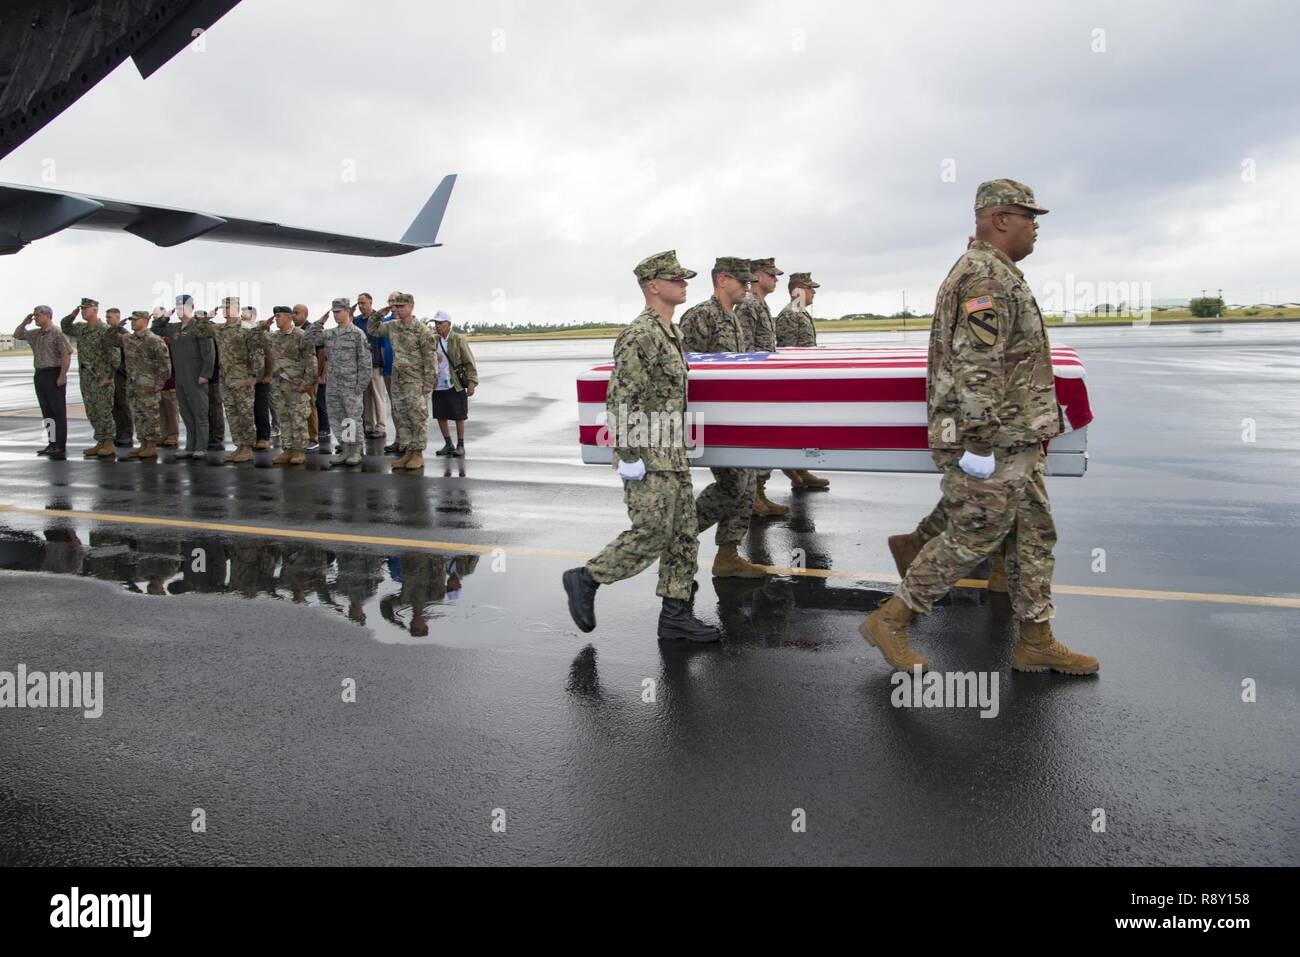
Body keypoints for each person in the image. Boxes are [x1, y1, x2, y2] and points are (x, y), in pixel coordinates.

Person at [860, 178, 1098, 676]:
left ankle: (1035, 639)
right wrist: (983, 443)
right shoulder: (986, 278)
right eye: (1029, 218)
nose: (1036, 229)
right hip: (994, 439)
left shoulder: (997, 273)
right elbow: (978, 369)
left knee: (1034, 535)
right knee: (974, 534)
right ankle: (891, 619)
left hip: (1018, 438)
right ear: (1000, 219)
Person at [562, 250, 720, 643]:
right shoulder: (641, 335)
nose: (684, 284)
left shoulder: (672, 332)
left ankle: (675, 616)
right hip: (648, 456)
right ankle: (588, 577)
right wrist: (630, 457)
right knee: (650, 533)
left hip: (673, 454)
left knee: (684, 536)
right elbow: (621, 401)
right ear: (653, 286)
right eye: (676, 278)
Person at [679, 257, 769, 579]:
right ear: (721, 280)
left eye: (749, 281)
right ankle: (679, 533)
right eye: (741, 281)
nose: (748, 286)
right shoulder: (700, 317)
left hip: (735, 418)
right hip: (709, 419)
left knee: (744, 485)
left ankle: (728, 555)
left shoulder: (735, 319)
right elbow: (682, 368)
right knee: (733, 484)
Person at [736, 257, 790, 516]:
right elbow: (744, 348)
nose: (776, 279)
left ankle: (759, 493)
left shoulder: (759, 305)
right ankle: (753, 497)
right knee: (756, 442)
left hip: (763, 381)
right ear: (757, 275)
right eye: (771, 275)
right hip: (753, 383)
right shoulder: (748, 306)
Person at [773, 272, 830, 491]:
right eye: (810, 288)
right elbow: (788, 351)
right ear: (798, 290)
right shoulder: (790, 314)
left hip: (805, 379)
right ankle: (792, 468)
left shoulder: (800, 312)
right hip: (795, 381)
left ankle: (801, 469)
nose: (813, 292)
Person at [367, 293, 436, 470]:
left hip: (415, 381)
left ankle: (418, 454)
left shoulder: (422, 330)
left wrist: (429, 382)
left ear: (411, 306)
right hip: (398, 380)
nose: (398, 309)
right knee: (401, 416)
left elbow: (430, 358)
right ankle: (407, 452)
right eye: (396, 306)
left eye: (401, 306)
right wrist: (379, 314)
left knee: (417, 417)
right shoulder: (392, 326)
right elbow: (372, 329)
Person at [151, 295, 215, 460]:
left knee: (200, 413)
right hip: (180, 377)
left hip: (196, 377)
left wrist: (205, 374)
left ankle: (201, 446)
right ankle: (190, 446)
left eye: (183, 307)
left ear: (192, 307)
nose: (180, 310)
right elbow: (156, 330)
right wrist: (165, 317)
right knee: (186, 413)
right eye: (178, 307)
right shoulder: (174, 328)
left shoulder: (199, 326)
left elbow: (209, 351)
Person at [309, 297, 371, 466]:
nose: (336, 315)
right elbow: (308, 340)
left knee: (352, 418)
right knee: (338, 418)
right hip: (334, 384)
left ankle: (355, 450)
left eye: (339, 312)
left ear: (348, 311)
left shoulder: (357, 334)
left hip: (351, 384)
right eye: (334, 312)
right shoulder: (329, 334)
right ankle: (345, 449)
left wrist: (361, 385)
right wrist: (319, 323)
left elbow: (365, 361)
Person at [59, 297, 118, 458]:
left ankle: (109, 442)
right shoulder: (81, 328)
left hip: (101, 377)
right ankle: (99, 440)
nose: (83, 311)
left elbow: (115, 356)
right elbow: (65, 326)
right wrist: (73, 314)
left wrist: (109, 376)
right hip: (86, 377)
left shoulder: (105, 330)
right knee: (91, 410)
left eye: (86, 308)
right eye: (82, 309)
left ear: (95, 310)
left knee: (104, 410)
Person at [13, 305, 72, 459]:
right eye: (34, 315)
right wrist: (25, 322)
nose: (35, 318)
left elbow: (66, 354)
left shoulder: (57, 333)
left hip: (54, 373)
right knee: (47, 412)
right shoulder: (36, 334)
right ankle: (51, 443)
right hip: (40, 374)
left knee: (57, 411)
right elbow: (17, 335)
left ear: (48, 315)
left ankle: (59, 445)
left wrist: (62, 375)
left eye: (38, 315)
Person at [262, 305, 317, 466]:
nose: (276, 319)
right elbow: (256, 338)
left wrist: (306, 384)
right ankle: (287, 449)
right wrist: (263, 326)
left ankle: (299, 450)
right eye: (275, 316)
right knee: (283, 417)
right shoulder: (274, 336)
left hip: (296, 384)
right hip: (279, 384)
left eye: (278, 316)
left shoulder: (300, 335)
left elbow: (311, 361)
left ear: (288, 317)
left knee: (298, 418)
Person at [213, 296, 263, 463]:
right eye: (224, 307)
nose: (225, 310)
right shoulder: (220, 329)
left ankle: (248, 447)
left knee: (245, 413)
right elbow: (200, 330)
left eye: (229, 306)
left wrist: (253, 375)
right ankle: (239, 446)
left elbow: (257, 353)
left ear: (237, 308)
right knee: (232, 413)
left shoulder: (247, 328)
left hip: (242, 378)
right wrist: (208, 316)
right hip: (225, 377)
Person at [120, 310, 171, 460]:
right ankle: (143, 443)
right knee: (138, 415)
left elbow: (165, 364)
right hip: (133, 384)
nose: (132, 322)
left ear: (145, 320)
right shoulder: (129, 339)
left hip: (148, 384)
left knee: (150, 415)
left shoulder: (154, 340)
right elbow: (109, 340)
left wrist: (160, 383)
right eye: (132, 320)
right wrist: (116, 327)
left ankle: (151, 445)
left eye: (136, 320)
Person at [429, 310, 478, 457]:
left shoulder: (458, 339)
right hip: (438, 383)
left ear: (449, 324)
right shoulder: (434, 340)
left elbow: (469, 361)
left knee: (458, 415)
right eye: (436, 323)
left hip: (454, 382)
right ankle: (448, 444)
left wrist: (472, 382)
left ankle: (460, 445)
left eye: (441, 323)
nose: (438, 326)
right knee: (440, 414)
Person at [355, 293, 391, 441]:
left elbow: (383, 342)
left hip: (375, 363)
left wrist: (383, 363)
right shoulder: (356, 321)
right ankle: (369, 426)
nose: (361, 306)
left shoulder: (378, 318)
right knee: (366, 398)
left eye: (363, 303)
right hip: (361, 365)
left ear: (370, 302)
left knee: (378, 396)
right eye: (359, 303)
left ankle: (381, 427)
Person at [293, 303, 329, 451]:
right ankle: (302, 436)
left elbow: (322, 353)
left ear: (305, 314)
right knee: (299, 407)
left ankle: (313, 437)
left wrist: (319, 374)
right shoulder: (294, 331)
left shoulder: (311, 329)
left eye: (297, 313)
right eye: (293, 313)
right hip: (297, 375)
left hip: (310, 375)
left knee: (311, 405)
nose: (294, 315)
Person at [105, 307, 134, 446]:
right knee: (115, 404)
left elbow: (129, 355)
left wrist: (123, 370)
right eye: (106, 317)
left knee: (123, 404)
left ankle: (127, 434)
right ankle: (119, 432)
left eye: (110, 317)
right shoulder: (110, 333)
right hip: (112, 373)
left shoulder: (124, 333)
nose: (107, 320)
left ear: (117, 318)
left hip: (121, 373)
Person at [245, 307, 273, 449]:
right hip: (248, 377)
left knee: (260, 408)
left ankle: (263, 437)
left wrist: (268, 375)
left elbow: (269, 356)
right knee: (248, 410)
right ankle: (252, 437)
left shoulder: (262, 335)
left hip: (261, 379)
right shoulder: (246, 331)